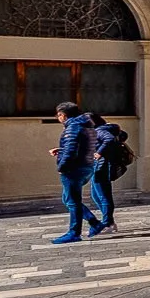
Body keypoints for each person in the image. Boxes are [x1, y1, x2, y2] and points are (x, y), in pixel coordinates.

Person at [49, 102, 102, 243]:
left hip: (74, 168)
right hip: (86, 166)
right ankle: (94, 222)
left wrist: (62, 167)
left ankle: (74, 232)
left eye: (58, 115)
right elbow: (81, 147)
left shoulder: (73, 127)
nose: (58, 118)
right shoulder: (87, 126)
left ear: (63, 115)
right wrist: (61, 151)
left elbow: (72, 150)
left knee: (73, 201)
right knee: (68, 199)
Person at [87, 115, 130, 234]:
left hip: (102, 165)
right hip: (99, 165)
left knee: (102, 195)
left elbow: (109, 139)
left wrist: (99, 152)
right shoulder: (101, 130)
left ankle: (107, 223)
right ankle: (109, 221)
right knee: (96, 195)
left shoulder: (99, 130)